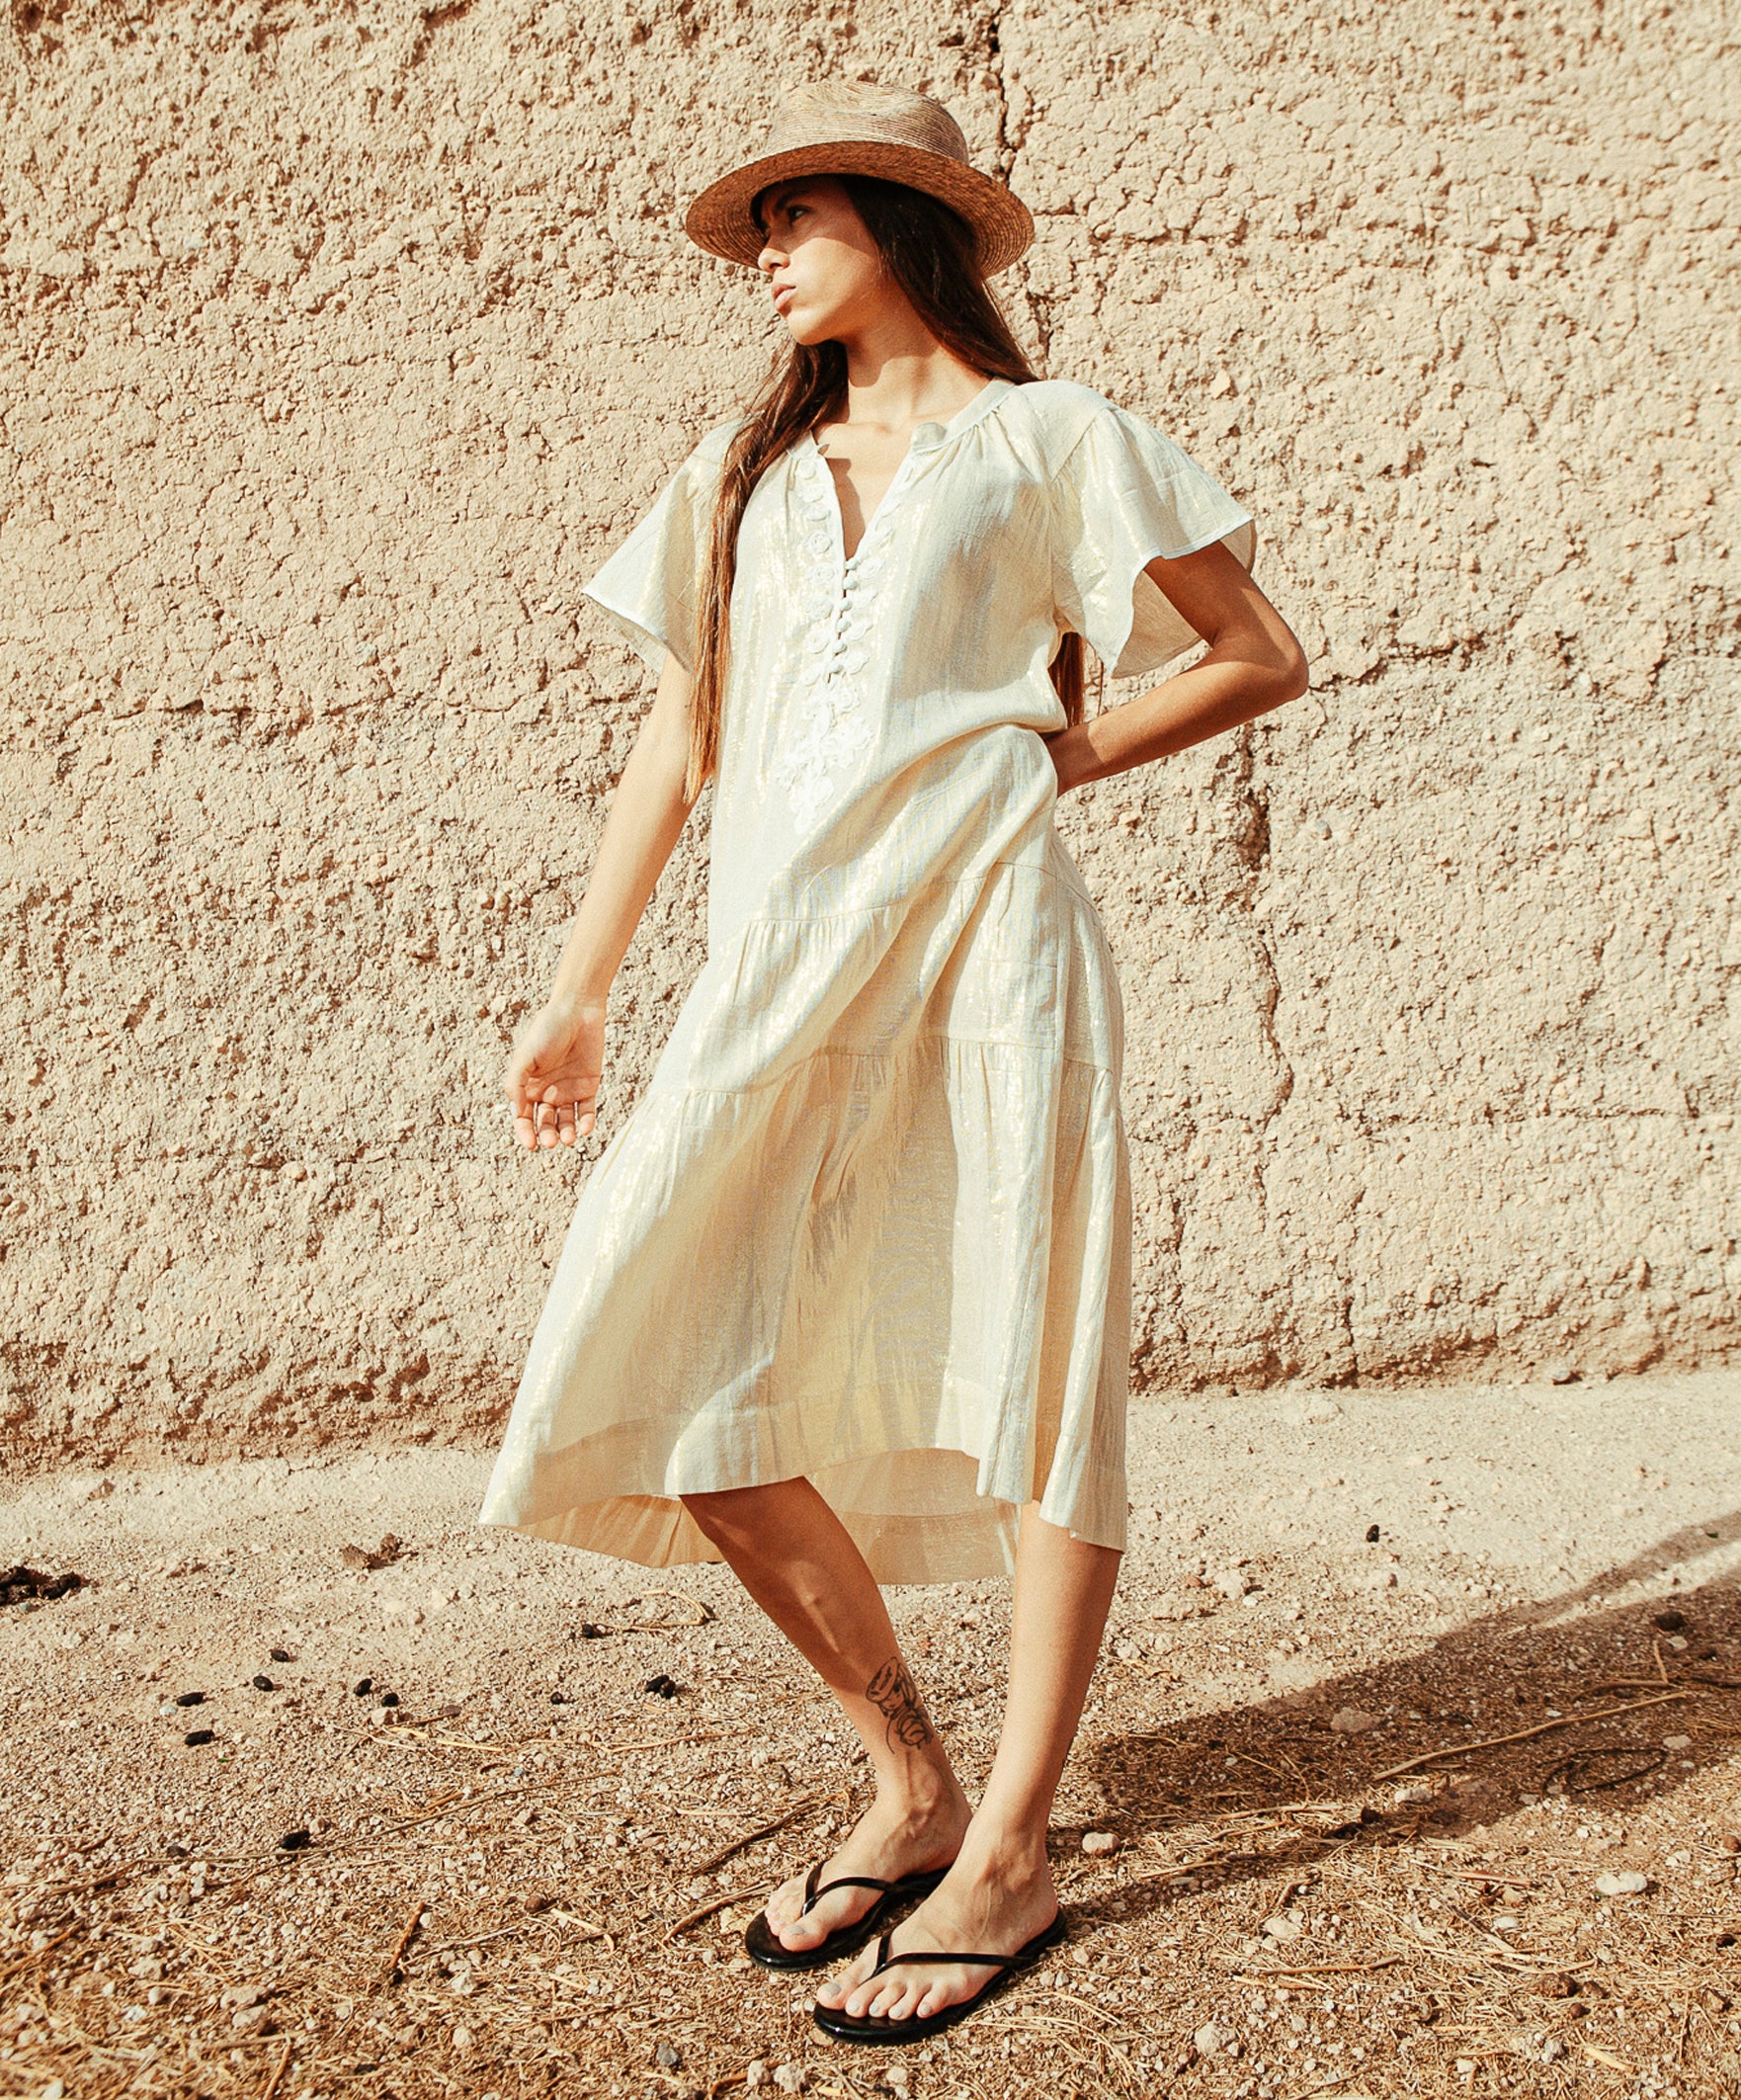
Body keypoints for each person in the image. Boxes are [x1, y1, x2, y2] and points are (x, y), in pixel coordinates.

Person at [479, 81, 1306, 2046]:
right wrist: (583, 983)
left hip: (987, 946)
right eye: (756, 225)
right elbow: (682, 736)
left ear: (898, 225)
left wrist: (1049, 758)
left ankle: (1007, 1843)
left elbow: (1254, 650)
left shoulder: (1047, 438)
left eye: (795, 215)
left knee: (1031, 1359)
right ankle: (908, 1776)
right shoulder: (741, 474)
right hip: (773, 970)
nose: (763, 251)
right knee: (673, 1365)